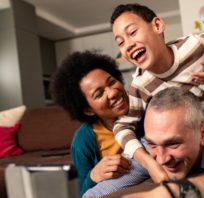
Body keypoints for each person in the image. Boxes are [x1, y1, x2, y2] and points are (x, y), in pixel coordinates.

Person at [110, 3, 204, 183]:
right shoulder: (140, 86)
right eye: (120, 42)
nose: (128, 44)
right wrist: (149, 163)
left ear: (157, 26)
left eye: (132, 32)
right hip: (190, 138)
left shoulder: (193, 45)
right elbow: (122, 126)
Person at [50, 51, 149, 197]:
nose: (112, 93)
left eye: (111, 82)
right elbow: (83, 193)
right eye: (99, 94)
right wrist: (94, 176)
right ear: (88, 110)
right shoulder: (83, 140)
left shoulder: (147, 107)